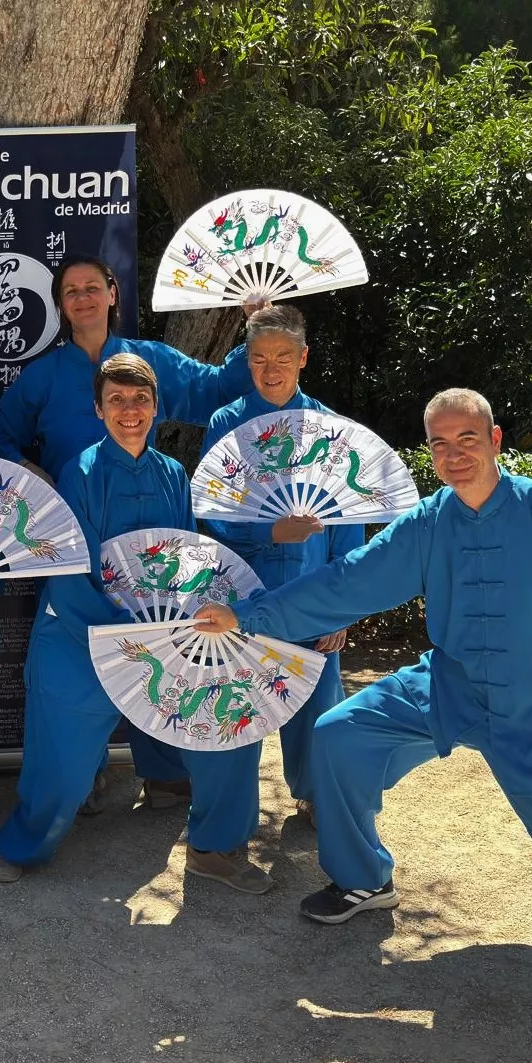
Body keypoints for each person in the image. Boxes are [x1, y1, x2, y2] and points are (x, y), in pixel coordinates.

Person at [195, 388, 532, 957]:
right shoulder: (428, 522)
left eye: (467, 438)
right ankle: (364, 878)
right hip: (450, 687)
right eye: (440, 443)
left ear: (495, 440)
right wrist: (247, 616)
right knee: (339, 736)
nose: (454, 454)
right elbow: (348, 581)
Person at [0, 354, 271, 894]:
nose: (130, 410)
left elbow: (189, 557)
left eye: (140, 399)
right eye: (116, 399)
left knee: (230, 726)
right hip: (80, 632)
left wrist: (188, 628)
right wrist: (122, 630)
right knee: (62, 768)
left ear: (157, 407)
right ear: (98, 409)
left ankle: (215, 847)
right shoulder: (80, 473)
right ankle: (27, 843)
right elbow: (69, 566)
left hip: (164, 635)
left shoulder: (173, 474)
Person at [0, 254, 256, 806]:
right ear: (60, 304)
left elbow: (216, 389)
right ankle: (81, 772)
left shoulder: (147, 359)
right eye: (70, 290)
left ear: (113, 293)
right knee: (83, 658)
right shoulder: (44, 373)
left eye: (93, 287)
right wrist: (38, 477)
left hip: (149, 519)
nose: (82, 297)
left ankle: (161, 769)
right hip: (72, 528)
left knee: (160, 642)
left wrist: (255, 324)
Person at [200, 304, 364, 825]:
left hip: (314, 588)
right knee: (240, 705)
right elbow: (209, 512)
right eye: (259, 359)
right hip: (245, 592)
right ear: (246, 361)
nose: (271, 371)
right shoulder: (227, 424)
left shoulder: (331, 428)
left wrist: (344, 607)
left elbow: (348, 522)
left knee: (317, 702)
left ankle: (315, 796)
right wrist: (268, 530)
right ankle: (229, 822)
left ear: (303, 358)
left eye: (282, 358)